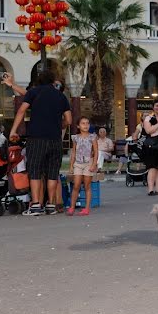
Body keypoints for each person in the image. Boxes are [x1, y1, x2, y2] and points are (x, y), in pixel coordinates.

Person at [9, 69, 71, 216]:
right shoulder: (61, 96)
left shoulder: (33, 92)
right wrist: (59, 125)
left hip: (36, 138)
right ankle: (51, 204)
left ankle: (36, 204)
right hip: (55, 140)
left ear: (39, 81)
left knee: (35, 170)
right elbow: (68, 120)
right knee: (52, 172)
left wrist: (13, 130)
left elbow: (21, 111)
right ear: (51, 81)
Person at [67, 116, 98, 216]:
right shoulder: (76, 137)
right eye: (83, 123)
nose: (85, 125)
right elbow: (73, 152)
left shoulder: (92, 137)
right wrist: (71, 166)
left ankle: (86, 208)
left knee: (87, 186)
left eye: (87, 123)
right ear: (78, 126)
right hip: (78, 164)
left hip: (88, 163)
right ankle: (72, 207)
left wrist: (94, 164)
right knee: (76, 185)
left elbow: (96, 151)